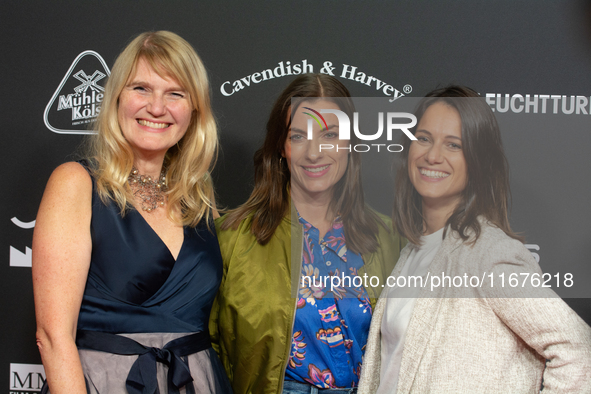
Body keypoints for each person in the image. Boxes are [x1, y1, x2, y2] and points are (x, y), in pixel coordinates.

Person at [33, 31, 232, 393]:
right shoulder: (76, 183)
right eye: (141, 88)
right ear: (117, 98)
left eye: (175, 93)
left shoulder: (200, 201)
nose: (157, 107)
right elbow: (52, 335)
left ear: (194, 110)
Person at [357, 86, 591, 393]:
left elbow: (578, 350)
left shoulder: (488, 254)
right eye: (424, 138)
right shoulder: (414, 250)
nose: (433, 155)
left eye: (454, 145)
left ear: (477, 161)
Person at [210, 73, 405, 394]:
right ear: (281, 147)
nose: (314, 153)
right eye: (298, 136)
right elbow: (209, 351)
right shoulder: (232, 237)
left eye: (329, 134)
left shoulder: (390, 238)